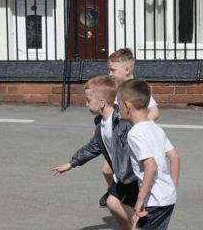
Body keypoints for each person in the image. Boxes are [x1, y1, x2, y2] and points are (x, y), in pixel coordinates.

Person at [52, 75, 139, 230]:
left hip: (131, 177)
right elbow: (92, 147)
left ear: (101, 103)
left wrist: (128, 176)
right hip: (120, 176)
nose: (86, 103)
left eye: (88, 100)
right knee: (114, 209)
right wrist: (71, 163)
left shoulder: (122, 123)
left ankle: (143, 224)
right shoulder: (100, 124)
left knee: (114, 204)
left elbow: (133, 151)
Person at [99, 48, 160, 208]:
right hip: (118, 140)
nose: (110, 74)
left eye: (113, 70)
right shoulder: (116, 91)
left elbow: (154, 111)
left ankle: (137, 198)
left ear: (126, 70)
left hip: (133, 140)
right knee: (107, 170)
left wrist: (138, 124)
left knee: (134, 171)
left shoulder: (138, 88)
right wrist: (102, 130)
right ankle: (113, 190)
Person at [117, 78, 180, 230]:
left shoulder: (135, 133)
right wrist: (171, 189)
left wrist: (140, 199)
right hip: (166, 198)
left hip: (154, 201)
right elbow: (175, 157)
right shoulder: (155, 128)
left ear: (127, 105)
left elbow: (151, 166)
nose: (118, 108)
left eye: (118, 104)